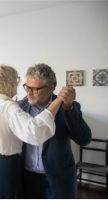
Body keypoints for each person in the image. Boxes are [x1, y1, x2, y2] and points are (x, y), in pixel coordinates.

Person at [0, 64, 63, 199]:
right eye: (17, 80)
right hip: (6, 166)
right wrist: (57, 101)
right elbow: (34, 132)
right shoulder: (10, 107)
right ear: (10, 82)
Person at [18, 63, 91, 199]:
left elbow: (84, 139)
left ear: (50, 88)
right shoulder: (19, 107)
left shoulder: (68, 107)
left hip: (57, 180)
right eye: (27, 87)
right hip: (25, 179)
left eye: (35, 89)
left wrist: (69, 110)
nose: (28, 92)